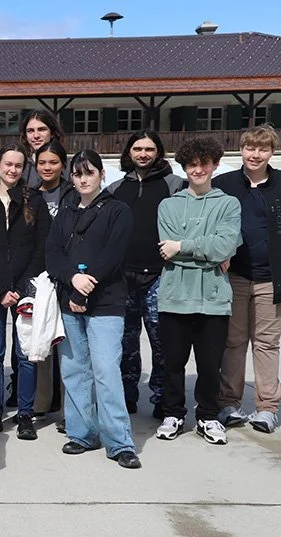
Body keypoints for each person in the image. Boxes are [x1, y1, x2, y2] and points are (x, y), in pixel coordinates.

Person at [45, 149, 140, 469]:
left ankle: (119, 441)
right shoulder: (66, 212)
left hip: (106, 302)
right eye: (77, 173)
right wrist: (72, 278)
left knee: (105, 370)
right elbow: (53, 253)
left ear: (101, 174)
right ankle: (82, 433)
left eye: (89, 173)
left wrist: (89, 282)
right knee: (74, 370)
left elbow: (115, 252)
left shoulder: (118, 210)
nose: (83, 179)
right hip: (69, 301)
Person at [155, 138, 242, 445]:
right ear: (185, 167)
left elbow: (224, 246)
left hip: (214, 300)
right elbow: (167, 250)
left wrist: (184, 246)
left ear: (215, 164)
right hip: (174, 296)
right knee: (173, 363)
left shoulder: (229, 203)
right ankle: (173, 413)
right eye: (192, 164)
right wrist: (207, 254)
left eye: (205, 163)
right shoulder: (169, 204)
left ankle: (208, 416)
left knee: (209, 364)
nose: (198, 169)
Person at [0, 143, 50, 440]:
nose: (13, 170)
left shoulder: (35, 202)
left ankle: (26, 414)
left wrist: (21, 287)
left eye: (18, 165)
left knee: (25, 352)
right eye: (8, 164)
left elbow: (42, 247)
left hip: (25, 289)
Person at [107, 130, 185, 418]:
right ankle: (127, 395)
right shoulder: (115, 188)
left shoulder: (174, 184)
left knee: (161, 341)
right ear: (129, 152)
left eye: (149, 149)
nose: (143, 154)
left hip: (160, 275)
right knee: (126, 342)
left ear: (159, 152)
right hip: (122, 278)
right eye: (138, 149)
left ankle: (162, 398)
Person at [215, 125, 281, 433]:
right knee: (233, 342)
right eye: (250, 148)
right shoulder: (225, 184)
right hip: (235, 276)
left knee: (267, 343)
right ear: (241, 150)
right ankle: (229, 403)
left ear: (272, 152)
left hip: (271, 279)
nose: (255, 155)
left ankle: (267, 407)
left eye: (263, 149)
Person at [30, 140, 74, 421]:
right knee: (43, 337)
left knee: (69, 344)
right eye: (42, 163)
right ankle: (42, 403)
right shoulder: (30, 195)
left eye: (53, 162)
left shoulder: (72, 192)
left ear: (63, 165)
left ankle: (71, 407)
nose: (48, 167)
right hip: (41, 275)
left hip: (70, 273)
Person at [20, 109, 66, 189]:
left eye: (41, 129)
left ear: (52, 133)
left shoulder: (68, 167)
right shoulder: (21, 166)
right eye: (30, 131)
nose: (36, 135)